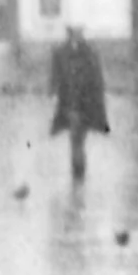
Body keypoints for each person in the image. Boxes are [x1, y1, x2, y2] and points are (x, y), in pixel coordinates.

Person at [49, 25, 110, 181]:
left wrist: (97, 99)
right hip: (71, 102)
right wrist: (54, 92)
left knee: (78, 137)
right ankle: (78, 171)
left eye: (78, 33)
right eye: (73, 33)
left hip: (84, 102)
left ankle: (78, 171)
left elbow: (97, 80)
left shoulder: (89, 53)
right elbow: (55, 76)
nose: (76, 36)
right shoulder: (62, 52)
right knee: (76, 137)